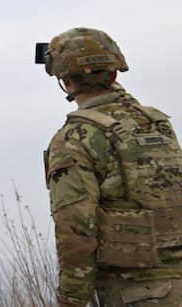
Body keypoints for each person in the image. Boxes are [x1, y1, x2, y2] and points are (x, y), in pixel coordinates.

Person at [40, 27, 182, 306]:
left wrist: (72, 299)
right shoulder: (158, 122)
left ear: (65, 82)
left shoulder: (74, 138)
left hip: (135, 293)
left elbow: (75, 231)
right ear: (115, 75)